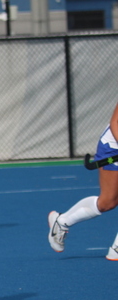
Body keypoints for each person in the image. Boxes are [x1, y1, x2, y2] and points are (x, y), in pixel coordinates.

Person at [48, 100, 118, 260]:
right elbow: (116, 121)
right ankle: (62, 221)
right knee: (108, 202)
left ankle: (116, 249)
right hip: (114, 147)